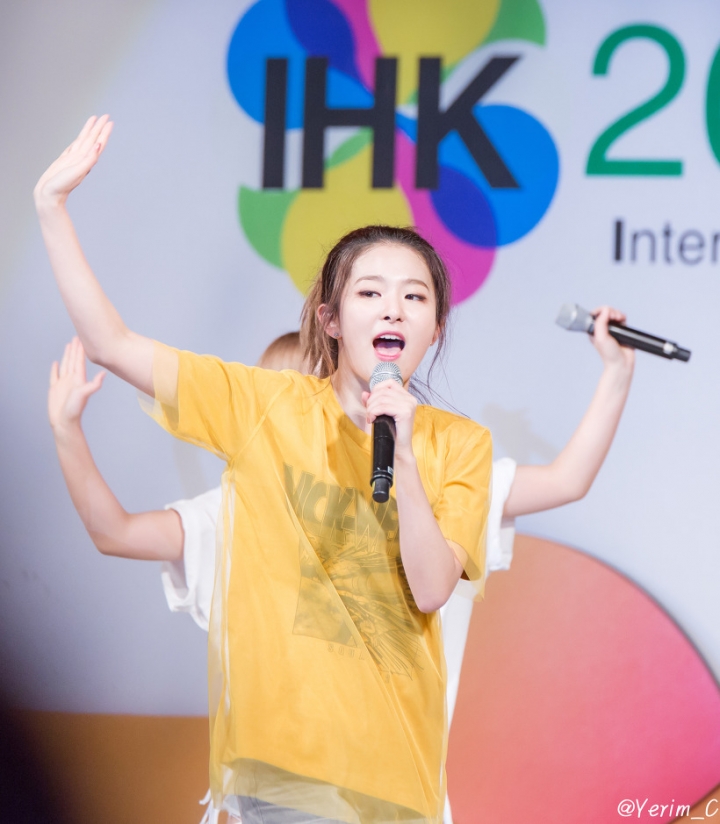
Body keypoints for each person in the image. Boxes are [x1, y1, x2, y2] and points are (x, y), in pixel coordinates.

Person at [35, 116, 492, 824]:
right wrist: (51, 208)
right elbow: (110, 342)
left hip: (399, 784)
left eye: (415, 296)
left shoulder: (460, 444)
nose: (393, 308)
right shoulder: (264, 405)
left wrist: (402, 455)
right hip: (286, 775)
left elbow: (432, 588)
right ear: (331, 319)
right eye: (370, 292)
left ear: (435, 327)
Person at [48, 304, 633, 824]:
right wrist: (67, 429)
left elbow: (566, 480)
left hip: (398, 790)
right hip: (285, 790)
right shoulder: (236, 511)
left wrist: (616, 372)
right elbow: (116, 532)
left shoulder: (437, 477)